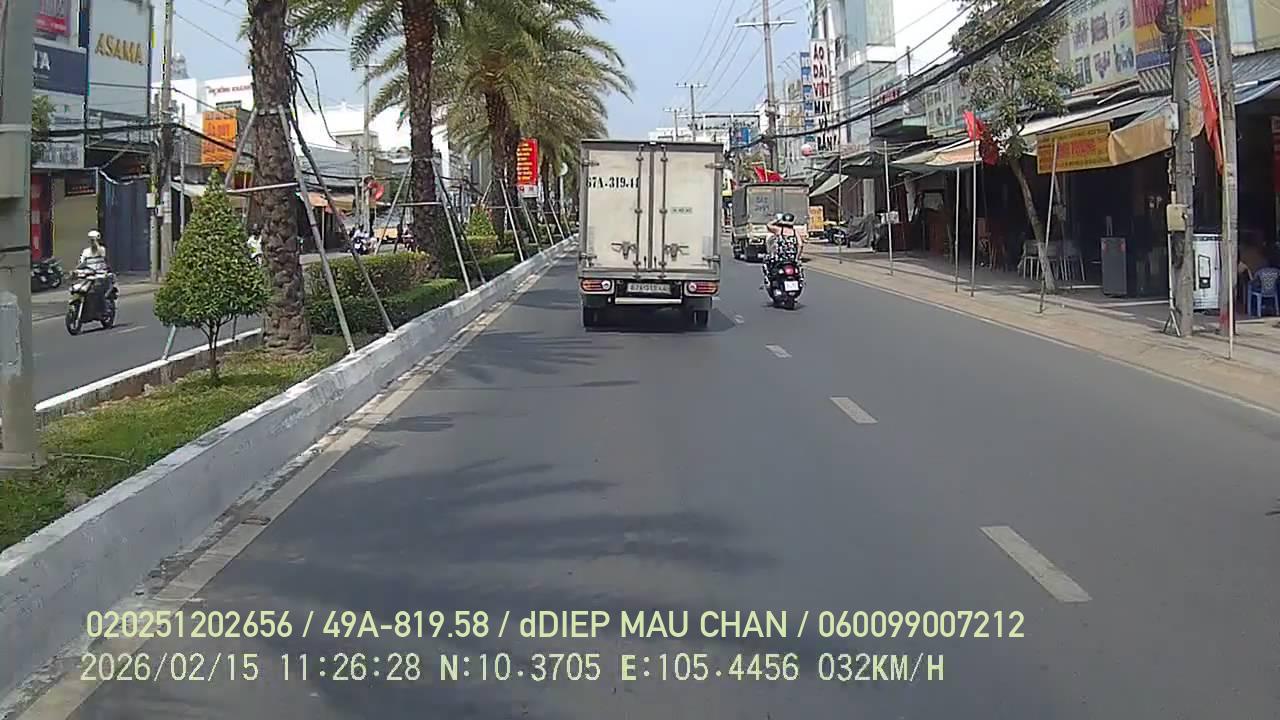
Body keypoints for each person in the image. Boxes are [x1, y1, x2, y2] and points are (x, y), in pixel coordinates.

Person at [762, 212, 803, 285]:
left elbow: (768, 225)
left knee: (768, 263)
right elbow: (800, 245)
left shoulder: (779, 230)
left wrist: (777, 220)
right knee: (799, 268)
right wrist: (797, 257)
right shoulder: (795, 232)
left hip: (780, 258)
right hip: (792, 259)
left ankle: (770, 280)